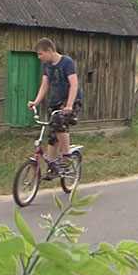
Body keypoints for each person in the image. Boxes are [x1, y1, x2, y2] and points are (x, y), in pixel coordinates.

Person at [27, 37, 83, 180]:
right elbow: (44, 85)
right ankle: (52, 166)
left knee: (59, 123)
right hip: (56, 102)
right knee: (52, 134)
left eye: (40, 54)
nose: (39, 57)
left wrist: (69, 105)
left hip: (71, 101)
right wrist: (36, 101)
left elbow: (74, 85)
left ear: (49, 50)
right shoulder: (47, 66)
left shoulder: (66, 62)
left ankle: (66, 156)